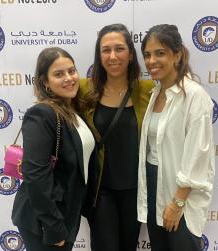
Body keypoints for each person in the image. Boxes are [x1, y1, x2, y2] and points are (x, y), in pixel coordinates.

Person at [137, 24, 215, 251]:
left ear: (177, 54)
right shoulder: (155, 93)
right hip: (153, 184)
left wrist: (177, 202)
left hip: (180, 193)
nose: (152, 61)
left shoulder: (194, 96)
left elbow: (197, 155)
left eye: (160, 53)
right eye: (148, 55)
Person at [11, 47, 97, 251]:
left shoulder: (71, 110)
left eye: (71, 71)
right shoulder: (41, 114)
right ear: (45, 82)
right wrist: (54, 226)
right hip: (45, 220)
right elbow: (35, 174)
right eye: (59, 74)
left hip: (65, 212)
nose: (68, 78)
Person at [79, 23, 154, 251]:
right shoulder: (84, 89)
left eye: (119, 49)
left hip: (135, 190)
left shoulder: (148, 90)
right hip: (101, 192)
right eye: (106, 50)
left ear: (131, 54)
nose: (113, 56)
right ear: (99, 55)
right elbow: (54, 105)